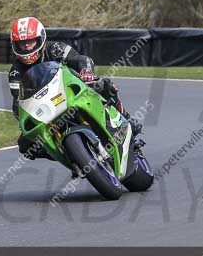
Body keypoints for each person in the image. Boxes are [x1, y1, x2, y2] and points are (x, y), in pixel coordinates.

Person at [7, 17, 142, 160]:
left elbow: (82, 59)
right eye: (21, 43)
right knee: (25, 145)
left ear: (41, 39)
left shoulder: (55, 48)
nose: (27, 46)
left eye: (30, 41)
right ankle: (71, 157)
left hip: (73, 90)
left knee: (106, 85)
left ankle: (126, 119)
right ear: (15, 45)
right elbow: (18, 103)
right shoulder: (15, 73)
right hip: (47, 109)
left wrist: (86, 73)